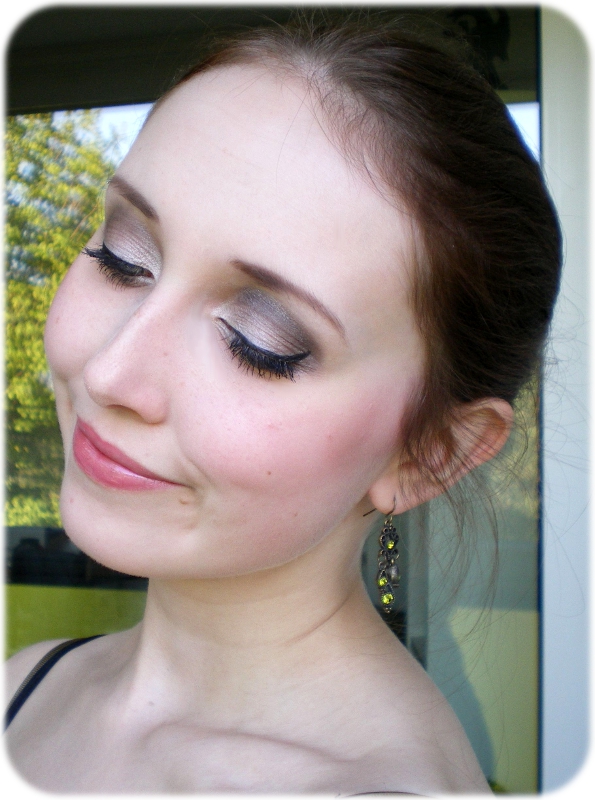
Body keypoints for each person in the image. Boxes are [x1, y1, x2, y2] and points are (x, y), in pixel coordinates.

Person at [5, 16, 560, 794]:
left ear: (430, 453)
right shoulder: (25, 683)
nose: (110, 372)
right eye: (122, 258)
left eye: (258, 342)